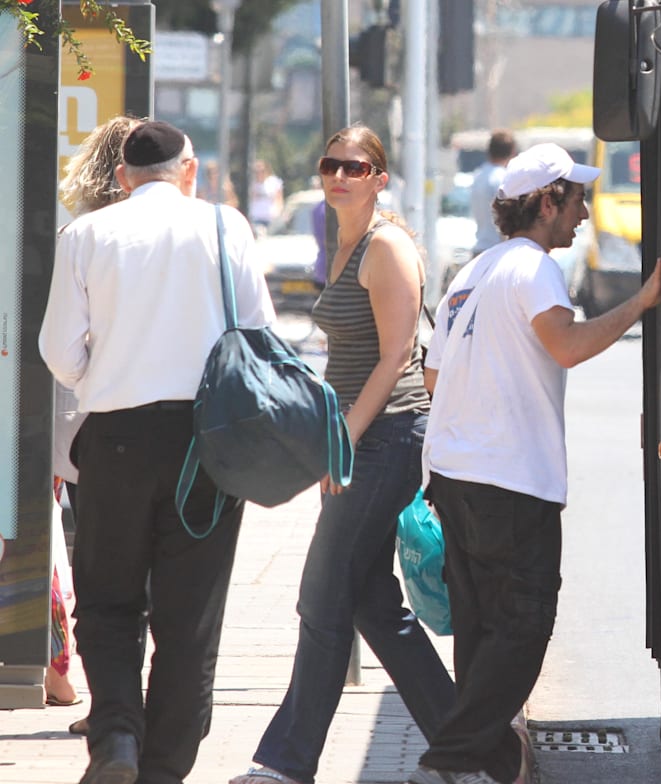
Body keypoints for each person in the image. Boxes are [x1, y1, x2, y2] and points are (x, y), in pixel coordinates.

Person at [409, 144, 661, 784]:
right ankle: (451, 758)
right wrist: (641, 303)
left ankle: (492, 762)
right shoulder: (533, 269)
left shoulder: (473, 273)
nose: (582, 212)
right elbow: (568, 345)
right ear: (546, 201)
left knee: (481, 626)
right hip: (510, 479)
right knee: (525, 623)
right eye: (575, 197)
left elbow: (436, 375)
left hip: (454, 474)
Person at [40, 120, 273, 784]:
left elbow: (59, 352)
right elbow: (258, 336)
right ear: (190, 170)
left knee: (110, 602)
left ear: (122, 177)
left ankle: (115, 737)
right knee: (189, 616)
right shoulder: (227, 228)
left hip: (113, 441)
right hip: (207, 447)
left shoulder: (87, 235)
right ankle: (165, 769)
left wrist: (104, 378)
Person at [230, 124, 456, 784]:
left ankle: (286, 763)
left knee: (323, 597)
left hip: (387, 437)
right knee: (370, 607)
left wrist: (342, 441)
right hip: (370, 435)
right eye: (331, 164)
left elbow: (395, 357)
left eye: (354, 167)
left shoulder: (385, 248)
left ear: (379, 179)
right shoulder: (345, 242)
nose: (338, 176)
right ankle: (472, 744)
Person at [50, 112, 141, 727]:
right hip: (168, 426)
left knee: (104, 577)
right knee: (157, 574)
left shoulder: (82, 235)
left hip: (89, 430)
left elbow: (62, 348)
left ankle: (113, 707)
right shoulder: (185, 235)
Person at [471, 130, 517, 256]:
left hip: (480, 247)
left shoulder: (478, 175)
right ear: (512, 152)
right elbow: (507, 218)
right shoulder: (502, 178)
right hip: (497, 250)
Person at [249, 159, 285, 230]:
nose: (259, 173)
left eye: (262, 171)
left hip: (271, 217)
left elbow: (279, 199)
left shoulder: (274, 182)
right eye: (256, 171)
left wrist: (279, 212)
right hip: (256, 217)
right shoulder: (251, 184)